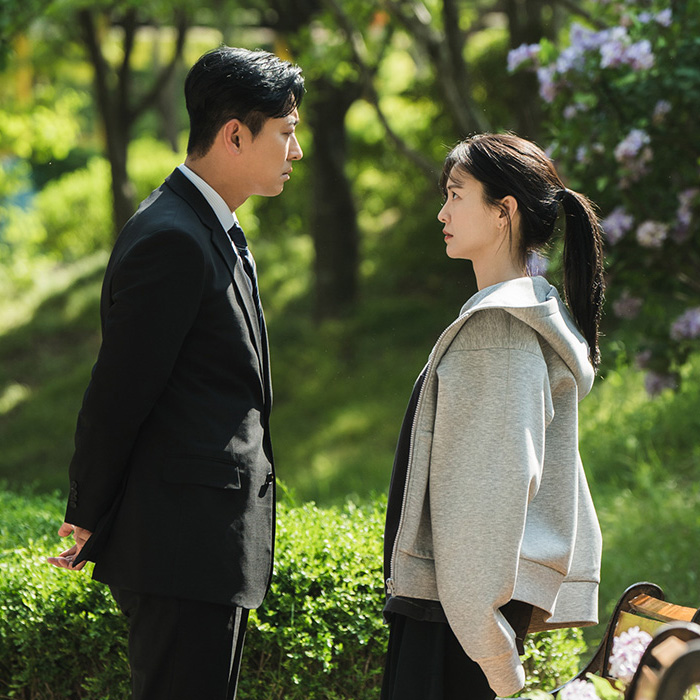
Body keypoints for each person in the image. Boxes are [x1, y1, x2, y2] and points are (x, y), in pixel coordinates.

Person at [46, 46, 304, 700]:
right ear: (235, 135)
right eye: (286, 132)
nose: (296, 151)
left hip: (203, 552)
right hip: (182, 552)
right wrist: (88, 509)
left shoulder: (208, 226)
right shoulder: (174, 237)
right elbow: (118, 391)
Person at [381, 132, 605, 699]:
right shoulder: (519, 319)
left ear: (503, 211)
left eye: (456, 195)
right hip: (460, 623)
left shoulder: (497, 332)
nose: (442, 213)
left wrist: (495, 661)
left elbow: (489, 499)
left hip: (451, 632)